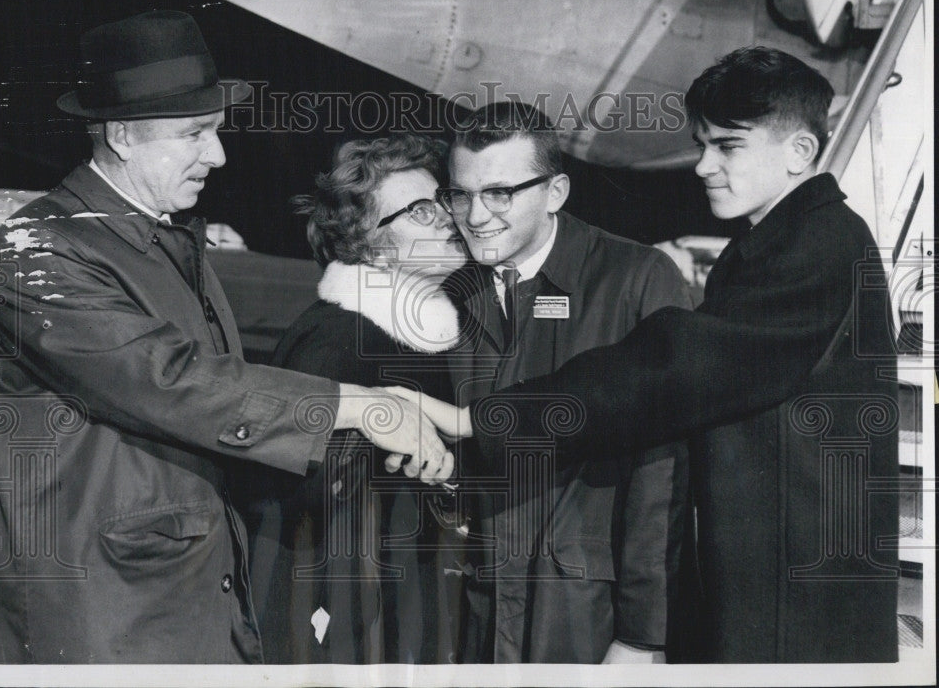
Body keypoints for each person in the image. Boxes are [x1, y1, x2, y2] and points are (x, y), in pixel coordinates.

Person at [0, 10, 452, 664]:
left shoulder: (167, 241)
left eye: (216, 132)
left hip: (194, 612)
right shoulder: (35, 249)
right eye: (195, 133)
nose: (218, 155)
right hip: (105, 629)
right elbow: (168, 380)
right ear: (121, 136)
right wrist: (359, 404)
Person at [390, 47, 899, 663]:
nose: (704, 165)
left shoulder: (819, 245)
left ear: (799, 153)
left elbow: (676, 370)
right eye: (702, 144)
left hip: (795, 610)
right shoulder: (771, 245)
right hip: (770, 593)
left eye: (728, 147)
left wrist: (483, 419)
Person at [425, 101, 692, 664]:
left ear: (556, 192)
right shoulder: (452, 294)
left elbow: (661, 476)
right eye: (461, 194)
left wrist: (644, 635)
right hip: (480, 611)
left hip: (587, 619)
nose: (475, 217)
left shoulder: (636, 282)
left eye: (500, 193)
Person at [233, 133, 469, 664]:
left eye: (442, 202)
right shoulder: (338, 339)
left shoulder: (417, 331)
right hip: (343, 629)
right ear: (369, 245)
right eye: (420, 212)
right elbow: (284, 491)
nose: (449, 219)